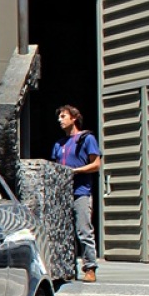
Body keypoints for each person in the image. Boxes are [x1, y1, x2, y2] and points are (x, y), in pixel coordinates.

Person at [51, 105, 101, 282]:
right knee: (63, 233)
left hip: (81, 192)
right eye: (59, 117)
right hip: (63, 194)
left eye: (63, 116)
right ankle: (67, 269)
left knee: (83, 230)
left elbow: (96, 164)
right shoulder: (59, 144)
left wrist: (77, 171)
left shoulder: (86, 139)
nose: (60, 120)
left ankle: (90, 267)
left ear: (73, 118)